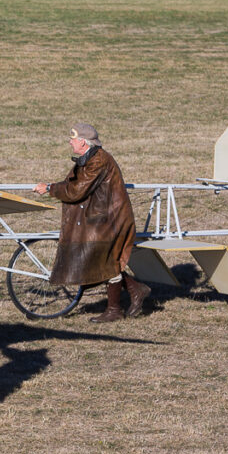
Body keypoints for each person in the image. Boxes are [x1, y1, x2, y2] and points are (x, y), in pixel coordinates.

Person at [32, 123, 150, 322]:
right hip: (101, 218)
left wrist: (50, 188)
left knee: (104, 261)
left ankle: (114, 310)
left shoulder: (99, 160)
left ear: (83, 142)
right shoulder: (91, 158)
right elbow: (75, 185)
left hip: (110, 220)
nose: (70, 142)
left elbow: (77, 189)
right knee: (102, 259)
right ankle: (136, 289)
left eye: (73, 139)